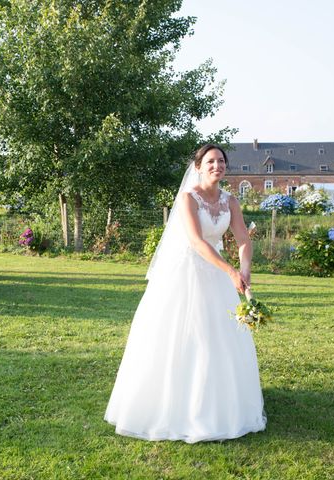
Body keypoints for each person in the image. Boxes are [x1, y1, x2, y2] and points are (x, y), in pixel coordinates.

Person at [104, 144, 266, 443]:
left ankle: (218, 402)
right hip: (187, 271)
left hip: (218, 273)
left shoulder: (231, 201)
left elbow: (243, 239)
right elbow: (195, 241)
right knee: (185, 333)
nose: (217, 165)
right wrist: (229, 272)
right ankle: (174, 405)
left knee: (220, 334)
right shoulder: (188, 197)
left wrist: (244, 269)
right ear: (199, 166)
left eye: (221, 161)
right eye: (210, 161)